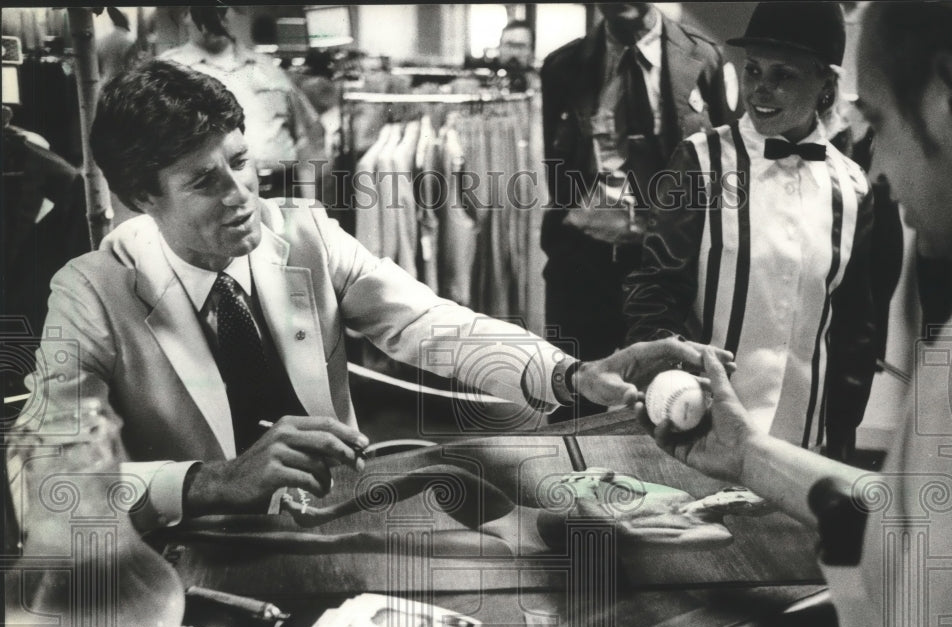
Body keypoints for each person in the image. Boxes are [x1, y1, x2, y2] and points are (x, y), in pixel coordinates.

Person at [13, 60, 729, 534]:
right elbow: (41, 488)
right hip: (201, 568)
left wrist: (574, 375)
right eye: (204, 182)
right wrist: (209, 481)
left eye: (241, 164)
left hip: (344, 525)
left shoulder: (301, 233)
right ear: (140, 196)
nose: (242, 199)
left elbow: (427, 323)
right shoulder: (91, 294)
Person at [643, 2, 952, 627]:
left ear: (948, 101)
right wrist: (749, 454)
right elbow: (916, 518)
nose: (883, 168)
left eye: (880, 123)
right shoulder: (700, 160)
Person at [624, 2, 877, 461]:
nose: (761, 88)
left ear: (824, 84)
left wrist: (841, 439)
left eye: (784, 76)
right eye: (754, 71)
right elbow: (656, 289)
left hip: (804, 449)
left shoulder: (855, 187)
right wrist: (666, 384)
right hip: (700, 436)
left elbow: (855, 333)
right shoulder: (700, 162)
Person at [541, 2, 735, 419]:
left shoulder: (705, 59)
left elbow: (723, 161)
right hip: (584, 260)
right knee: (573, 401)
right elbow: (556, 166)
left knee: (671, 402)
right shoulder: (563, 66)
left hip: (666, 267)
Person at [160, 7, 325, 200]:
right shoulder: (167, 72)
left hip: (284, 193)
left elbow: (306, 139)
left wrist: (309, 203)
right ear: (184, 15)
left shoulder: (268, 67)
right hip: (215, 198)